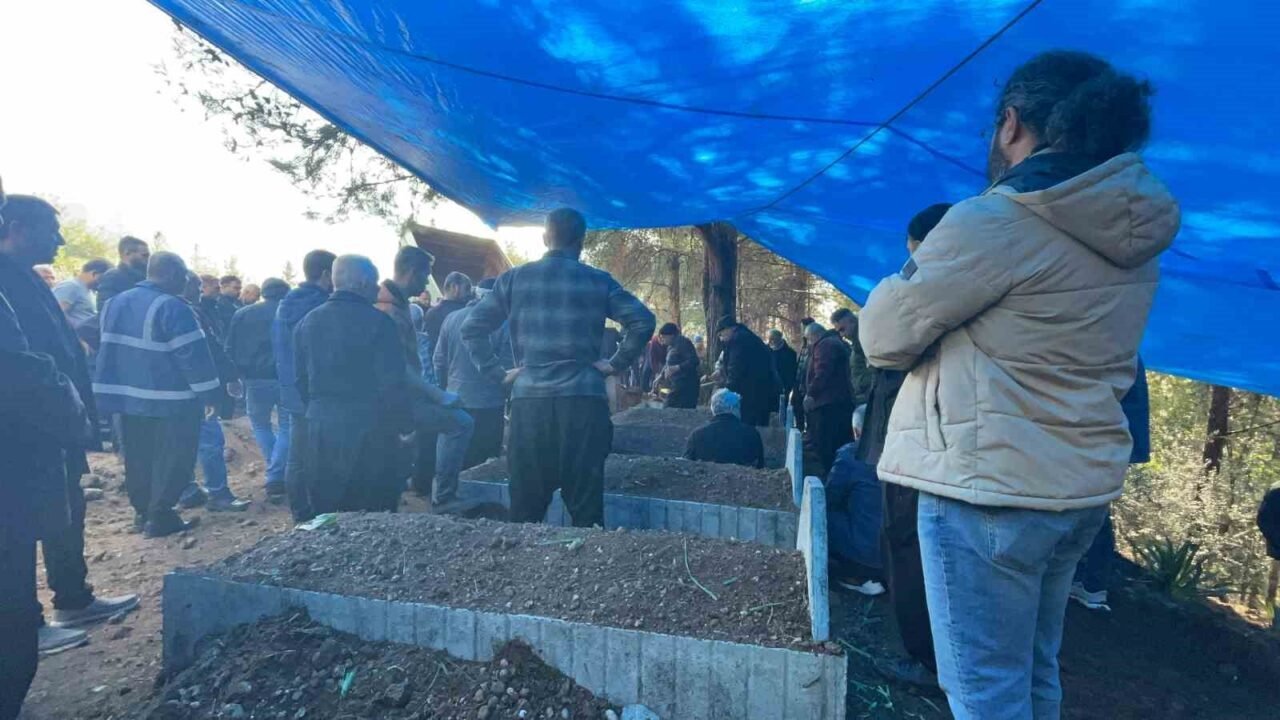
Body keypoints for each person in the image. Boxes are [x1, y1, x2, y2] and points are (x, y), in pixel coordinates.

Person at [859, 51, 1178, 719]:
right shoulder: (1132, 231)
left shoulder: (994, 222)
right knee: (1034, 673)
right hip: (1077, 489)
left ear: (1011, 124)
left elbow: (883, 337)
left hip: (989, 490)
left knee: (984, 694)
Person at [0, 195, 139, 665]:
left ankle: (73, 599)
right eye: (50, 229)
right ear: (17, 227)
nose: (60, 240)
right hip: (24, 434)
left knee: (67, 511)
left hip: (54, 428)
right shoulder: (5, 278)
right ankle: (25, 625)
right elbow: (20, 368)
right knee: (17, 530)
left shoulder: (24, 276)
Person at [461, 208, 655, 527]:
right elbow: (643, 321)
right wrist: (615, 364)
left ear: (545, 238)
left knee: (525, 510)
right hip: (584, 402)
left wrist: (497, 374)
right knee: (586, 510)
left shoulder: (514, 279)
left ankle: (526, 559)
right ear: (581, 241)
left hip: (529, 404)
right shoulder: (598, 281)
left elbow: (472, 328)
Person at [858, 202, 951, 690]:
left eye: (913, 251)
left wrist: (914, 269)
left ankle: (928, 659)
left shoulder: (943, 290)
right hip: (916, 446)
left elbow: (882, 339)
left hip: (921, 451)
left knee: (912, 548)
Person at [96, 251, 224, 537]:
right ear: (172, 274)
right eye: (184, 275)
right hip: (170, 401)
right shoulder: (173, 306)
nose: (186, 281)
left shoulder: (114, 303)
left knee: (138, 458)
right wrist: (210, 395)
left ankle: (142, 513)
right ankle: (161, 515)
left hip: (127, 401)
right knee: (175, 458)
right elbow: (193, 356)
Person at [294, 255, 410, 514]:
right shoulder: (380, 323)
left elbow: (299, 380)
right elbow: (392, 383)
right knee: (373, 510)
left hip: (322, 428)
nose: (378, 289)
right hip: (371, 431)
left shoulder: (307, 322)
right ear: (362, 282)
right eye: (375, 282)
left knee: (328, 510)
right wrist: (404, 425)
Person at [375, 247, 474, 507]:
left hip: (403, 396)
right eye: (425, 275)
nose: (426, 283)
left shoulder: (396, 304)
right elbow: (398, 366)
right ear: (411, 272)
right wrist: (438, 395)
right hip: (397, 400)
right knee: (460, 423)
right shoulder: (389, 310)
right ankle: (443, 498)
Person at [1070, 359, 1150, 611]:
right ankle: (1089, 584)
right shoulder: (1123, 347)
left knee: (1091, 514)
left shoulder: (1112, 350)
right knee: (1094, 512)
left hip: (1094, 443)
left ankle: (1088, 583)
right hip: (1110, 444)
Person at [176, 272, 250, 513]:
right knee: (210, 441)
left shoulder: (171, 311)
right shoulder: (189, 313)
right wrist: (224, 380)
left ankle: (187, 490)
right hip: (196, 390)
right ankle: (218, 494)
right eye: (197, 287)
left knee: (180, 442)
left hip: (171, 391)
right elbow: (209, 351)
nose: (200, 292)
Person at [273, 249, 336, 521]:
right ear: (326, 274)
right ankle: (322, 512)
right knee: (323, 456)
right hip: (318, 393)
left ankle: (300, 512)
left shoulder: (284, 305)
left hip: (291, 390)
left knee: (297, 457)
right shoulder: (322, 308)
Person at [435, 277, 514, 469]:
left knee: (455, 460)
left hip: (456, 400)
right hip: (490, 404)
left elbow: (438, 361)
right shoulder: (503, 325)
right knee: (483, 464)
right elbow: (507, 367)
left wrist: (444, 391)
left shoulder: (451, 318)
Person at [225, 278, 291, 502]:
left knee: (260, 424)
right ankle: (276, 473)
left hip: (254, 379)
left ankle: (274, 472)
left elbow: (230, 347)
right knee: (287, 425)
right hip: (285, 378)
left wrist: (233, 376)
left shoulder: (242, 314)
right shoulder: (289, 312)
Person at [415, 270, 473, 496]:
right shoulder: (458, 314)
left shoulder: (433, 313)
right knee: (454, 433)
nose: (469, 294)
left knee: (430, 437)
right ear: (455, 287)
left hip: (435, 380)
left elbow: (431, 353)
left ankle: (422, 483)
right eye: (467, 288)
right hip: (450, 383)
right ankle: (446, 489)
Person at [826, 438, 885, 596]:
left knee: (821, 514)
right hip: (903, 554)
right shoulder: (911, 453)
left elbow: (830, 497)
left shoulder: (852, 454)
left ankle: (855, 576)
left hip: (867, 555)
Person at [804, 322, 854, 476]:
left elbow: (822, 372)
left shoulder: (825, 346)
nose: (809, 343)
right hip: (839, 401)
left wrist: (811, 393)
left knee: (827, 444)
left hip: (828, 404)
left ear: (815, 335)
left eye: (809, 339)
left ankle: (831, 476)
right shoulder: (834, 342)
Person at [716, 316, 776, 427]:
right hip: (761, 388)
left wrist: (728, 390)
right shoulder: (747, 336)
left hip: (750, 391)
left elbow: (736, 367)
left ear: (730, 328)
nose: (721, 339)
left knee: (747, 423)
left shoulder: (738, 341)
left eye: (721, 334)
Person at [684, 389, 763, 468]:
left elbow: (686, 465)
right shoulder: (752, 434)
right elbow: (760, 466)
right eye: (738, 407)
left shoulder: (697, 435)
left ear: (713, 408)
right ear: (733, 408)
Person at [830, 307, 874, 408]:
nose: (842, 335)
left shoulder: (867, 340)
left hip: (870, 396)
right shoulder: (857, 344)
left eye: (842, 329)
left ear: (852, 322)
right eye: (839, 332)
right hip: (865, 396)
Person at [53, 258, 111, 329]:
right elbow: (56, 313)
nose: (105, 282)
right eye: (104, 278)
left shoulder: (89, 291)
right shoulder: (70, 286)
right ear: (94, 274)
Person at [95, 236, 149, 311]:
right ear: (127, 253)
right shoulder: (112, 277)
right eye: (144, 255)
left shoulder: (145, 278)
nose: (148, 259)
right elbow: (105, 309)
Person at [653, 322, 700, 409]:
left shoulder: (684, 343)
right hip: (676, 384)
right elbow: (668, 364)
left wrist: (678, 367)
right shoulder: (670, 347)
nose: (663, 340)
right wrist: (660, 376)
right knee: (669, 407)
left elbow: (694, 361)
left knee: (671, 408)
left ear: (671, 335)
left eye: (664, 337)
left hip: (687, 385)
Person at [790, 317, 814, 431]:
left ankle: (808, 430)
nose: (802, 331)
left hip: (806, 382)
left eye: (804, 328)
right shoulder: (804, 344)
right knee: (795, 404)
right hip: (799, 380)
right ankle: (800, 428)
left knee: (807, 409)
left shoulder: (813, 344)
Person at [767, 329, 798, 418]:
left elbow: (792, 373)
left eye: (773, 338)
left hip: (783, 389)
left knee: (781, 414)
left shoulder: (790, 353)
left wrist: (788, 387)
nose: (771, 341)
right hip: (767, 388)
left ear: (780, 338)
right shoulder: (765, 351)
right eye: (770, 338)